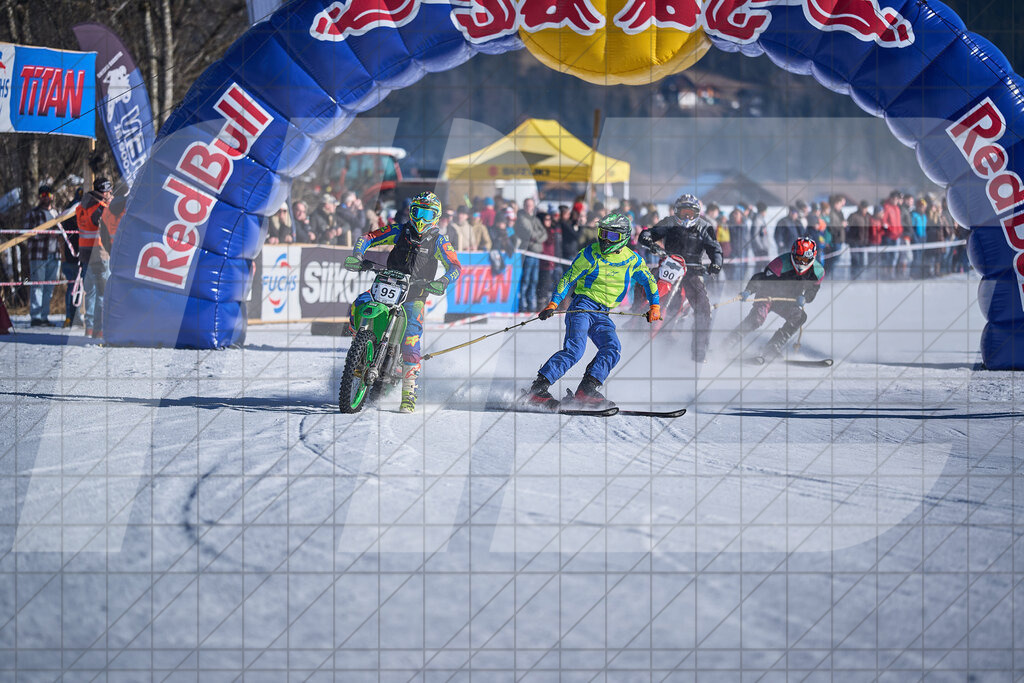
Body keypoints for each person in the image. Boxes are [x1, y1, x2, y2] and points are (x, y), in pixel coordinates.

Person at [525, 213, 660, 409]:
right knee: (575, 351)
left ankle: (586, 390)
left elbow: (648, 280)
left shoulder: (632, 259)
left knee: (612, 348)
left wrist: (654, 305)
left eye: (612, 236)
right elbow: (567, 279)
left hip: (603, 313)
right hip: (582, 307)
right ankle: (538, 389)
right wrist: (553, 303)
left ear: (623, 238)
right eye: (603, 233)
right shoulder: (589, 254)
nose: (605, 239)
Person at [343, 191, 460, 413]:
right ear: (411, 212)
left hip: (414, 295)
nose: (422, 219)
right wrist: (358, 255)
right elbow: (367, 238)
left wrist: (442, 281)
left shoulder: (439, 241)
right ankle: (357, 351)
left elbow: (455, 266)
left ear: (436, 216)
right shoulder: (399, 230)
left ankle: (409, 394)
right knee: (359, 304)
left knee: (410, 340)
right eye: (418, 212)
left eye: (428, 214)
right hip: (387, 285)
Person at [638, 194, 723, 363]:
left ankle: (698, 352)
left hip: (691, 271)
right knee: (643, 285)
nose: (687, 216)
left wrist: (716, 263)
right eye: (683, 212)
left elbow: (715, 248)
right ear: (677, 211)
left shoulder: (705, 227)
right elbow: (647, 234)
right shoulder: (668, 222)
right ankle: (635, 322)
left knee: (704, 309)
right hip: (667, 266)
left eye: (690, 213)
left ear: (697, 213)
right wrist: (650, 242)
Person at [724, 237, 824, 361]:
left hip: (787, 301)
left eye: (805, 259)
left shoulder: (818, 271)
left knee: (799, 317)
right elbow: (761, 278)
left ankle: (773, 346)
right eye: (799, 258)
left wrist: (805, 298)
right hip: (767, 294)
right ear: (793, 254)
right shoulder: (781, 263)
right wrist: (749, 290)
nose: (802, 262)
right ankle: (727, 344)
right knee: (757, 318)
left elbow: (813, 290)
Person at [76, 178, 114, 338]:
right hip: (99, 254)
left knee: (89, 292)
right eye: (109, 191)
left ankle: (90, 326)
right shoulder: (100, 208)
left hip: (85, 253)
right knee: (102, 293)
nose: (111, 194)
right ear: (104, 191)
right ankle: (99, 329)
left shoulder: (82, 206)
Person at [24, 184, 60, 326]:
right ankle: (36, 316)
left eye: (48, 195)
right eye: (43, 195)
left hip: (54, 255)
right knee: (38, 286)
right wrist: (46, 235)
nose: (46, 198)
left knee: (49, 287)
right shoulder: (33, 213)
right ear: (39, 197)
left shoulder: (57, 213)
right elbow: (28, 234)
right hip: (39, 255)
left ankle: (44, 316)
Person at [515, 198, 547, 312]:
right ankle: (523, 303)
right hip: (528, 253)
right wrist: (537, 236)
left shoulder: (535, 219)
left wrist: (536, 238)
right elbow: (529, 233)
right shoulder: (521, 218)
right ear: (524, 206)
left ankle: (531, 302)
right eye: (527, 205)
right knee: (526, 280)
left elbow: (544, 233)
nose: (529, 207)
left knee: (534, 280)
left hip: (536, 254)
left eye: (531, 205)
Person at [59, 189, 82, 327]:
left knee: (75, 288)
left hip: (75, 256)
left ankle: (73, 317)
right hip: (73, 257)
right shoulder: (75, 211)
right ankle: (71, 318)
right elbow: (60, 237)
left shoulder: (68, 210)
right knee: (73, 287)